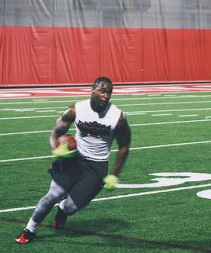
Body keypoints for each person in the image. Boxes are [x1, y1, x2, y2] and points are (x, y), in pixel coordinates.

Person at [15, 77, 131, 244]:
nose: (106, 96)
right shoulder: (75, 110)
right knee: (52, 195)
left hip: (96, 166)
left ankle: (62, 209)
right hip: (74, 159)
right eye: (103, 91)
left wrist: (114, 174)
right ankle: (30, 229)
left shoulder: (117, 118)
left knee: (71, 207)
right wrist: (56, 150)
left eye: (109, 93)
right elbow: (55, 133)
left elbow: (124, 147)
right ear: (93, 90)